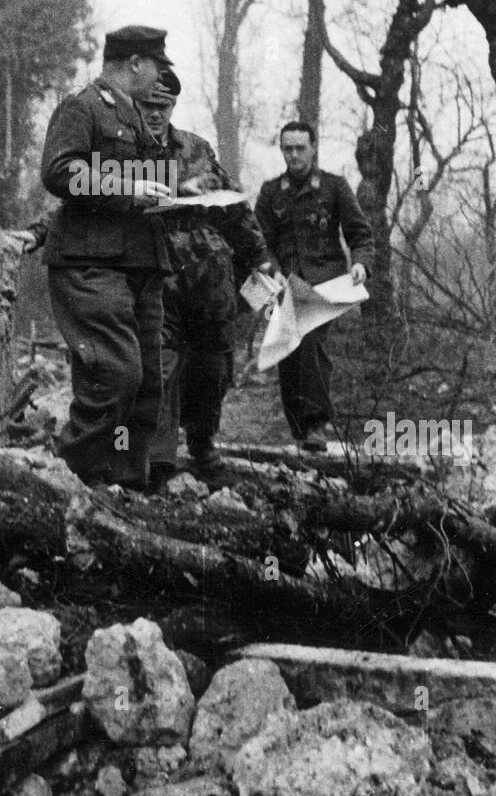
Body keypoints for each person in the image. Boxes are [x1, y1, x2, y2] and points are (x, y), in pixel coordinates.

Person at [38, 25, 175, 490]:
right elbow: (59, 172)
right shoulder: (83, 107)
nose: (160, 77)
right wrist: (127, 187)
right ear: (134, 63)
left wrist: (181, 193)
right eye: (157, 66)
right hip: (90, 265)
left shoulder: (136, 116)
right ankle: (63, 481)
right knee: (115, 375)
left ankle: (124, 489)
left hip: (139, 266)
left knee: (145, 388)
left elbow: (143, 186)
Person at [139, 69, 272, 485]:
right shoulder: (122, 153)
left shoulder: (196, 147)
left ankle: (203, 446)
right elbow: (89, 201)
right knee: (158, 365)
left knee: (211, 368)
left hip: (209, 278)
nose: (156, 115)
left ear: (173, 107)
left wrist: (259, 257)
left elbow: (233, 205)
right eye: (148, 106)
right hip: (156, 273)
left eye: (164, 107)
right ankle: (158, 461)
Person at [254, 120, 373, 452]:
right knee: (286, 352)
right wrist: (272, 271)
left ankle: (316, 423)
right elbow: (259, 242)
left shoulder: (334, 187)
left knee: (309, 342)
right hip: (284, 285)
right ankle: (300, 428)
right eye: (287, 148)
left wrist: (361, 262)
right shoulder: (270, 192)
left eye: (300, 148)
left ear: (313, 148)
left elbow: (360, 233)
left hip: (326, 283)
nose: (294, 155)